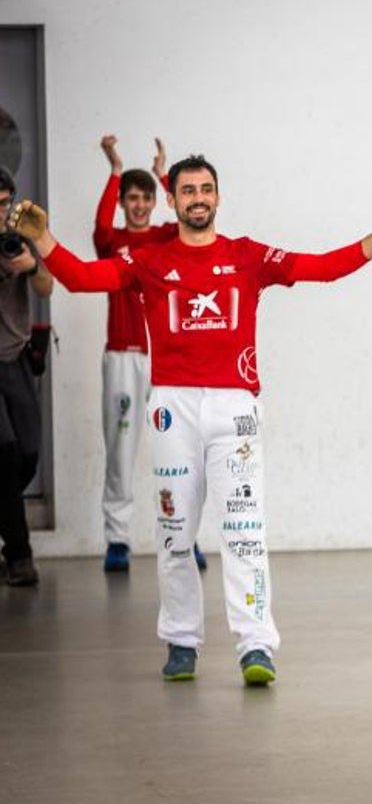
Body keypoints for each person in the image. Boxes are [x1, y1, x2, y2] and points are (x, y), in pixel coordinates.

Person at [9, 154, 372, 684]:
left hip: (236, 409)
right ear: (172, 200)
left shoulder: (248, 256)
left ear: (217, 197)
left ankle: (256, 647)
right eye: (187, 191)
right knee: (176, 532)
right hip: (172, 408)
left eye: (206, 189)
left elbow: (321, 266)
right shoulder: (149, 259)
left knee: (245, 532)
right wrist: (43, 242)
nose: (197, 198)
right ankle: (181, 642)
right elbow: (85, 279)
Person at [93, 135, 208, 573]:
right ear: (123, 202)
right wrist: (115, 169)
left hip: (166, 362)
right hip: (122, 358)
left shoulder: (164, 238)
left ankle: (187, 536)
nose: (140, 205)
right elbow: (102, 226)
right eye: (132, 198)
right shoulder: (112, 240)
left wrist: (164, 172)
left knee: (180, 451)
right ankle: (117, 540)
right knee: (121, 449)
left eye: (146, 198)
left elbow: (186, 212)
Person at [0, 166, 54, 586]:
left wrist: (30, 265)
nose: (1, 214)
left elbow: (46, 289)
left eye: (4, 205)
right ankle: (19, 555)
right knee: (4, 453)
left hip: (15, 358)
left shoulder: (20, 237)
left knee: (29, 453)